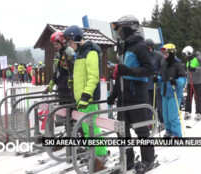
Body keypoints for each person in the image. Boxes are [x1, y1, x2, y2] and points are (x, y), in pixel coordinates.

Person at [108, 15, 155, 173]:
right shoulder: (124, 48)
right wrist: (114, 94)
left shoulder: (140, 46)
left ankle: (148, 160)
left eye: (120, 29)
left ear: (128, 28)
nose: (118, 32)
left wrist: (128, 71)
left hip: (136, 96)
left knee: (141, 130)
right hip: (122, 98)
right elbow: (120, 74)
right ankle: (127, 159)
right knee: (121, 131)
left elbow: (149, 70)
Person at [63, 25, 108, 172]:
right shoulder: (79, 53)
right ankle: (92, 152)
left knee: (92, 128)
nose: (69, 44)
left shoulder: (90, 52)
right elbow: (82, 76)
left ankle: (100, 154)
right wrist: (74, 83)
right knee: (85, 128)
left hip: (87, 98)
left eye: (70, 41)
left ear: (76, 37)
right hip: (81, 98)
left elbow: (93, 77)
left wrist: (85, 95)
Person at [154, 43, 186, 137]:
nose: (164, 56)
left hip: (174, 93)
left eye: (166, 54)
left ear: (171, 53)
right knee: (165, 115)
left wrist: (176, 82)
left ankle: (176, 134)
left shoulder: (178, 65)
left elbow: (183, 79)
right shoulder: (164, 64)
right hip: (164, 93)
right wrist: (158, 79)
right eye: (164, 54)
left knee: (173, 116)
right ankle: (168, 131)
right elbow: (161, 76)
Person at [47, 31, 75, 104]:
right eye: (54, 44)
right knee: (62, 109)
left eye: (57, 44)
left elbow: (76, 67)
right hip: (61, 84)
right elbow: (56, 70)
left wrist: (73, 78)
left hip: (70, 85)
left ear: (62, 42)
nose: (55, 46)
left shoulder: (70, 51)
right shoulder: (57, 54)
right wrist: (52, 81)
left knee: (70, 108)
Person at [183, 46, 201, 120]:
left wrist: (195, 69)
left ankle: (198, 112)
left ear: (189, 53)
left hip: (198, 82)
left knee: (197, 97)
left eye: (186, 54)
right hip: (190, 81)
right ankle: (187, 111)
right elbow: (188, 70)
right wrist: (184, 73)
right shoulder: (189, 59)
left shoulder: (199, 58)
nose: (185, 56)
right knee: (188, 97)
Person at [145, 39, 164, 126]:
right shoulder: (144, 56)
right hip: (147, 83)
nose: (148, 49)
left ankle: (162, 120)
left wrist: (158, 74)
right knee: (149, 105)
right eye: (146, 48)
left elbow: (163, 67)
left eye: (149, 47)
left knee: (159, 105)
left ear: (152, 47)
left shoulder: (159, 55)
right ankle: (150, 121)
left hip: (157, 83)